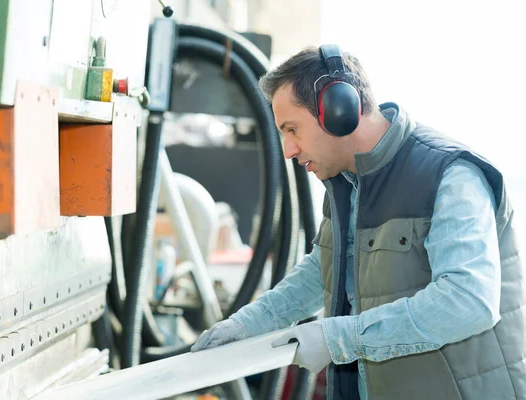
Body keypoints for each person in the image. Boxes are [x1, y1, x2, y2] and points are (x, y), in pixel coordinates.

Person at [191, 44, 525, 400]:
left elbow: (469, 301)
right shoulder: (345, 182)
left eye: (292, 129)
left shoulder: (450, 176)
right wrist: (247, 325)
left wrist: (337, 338)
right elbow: (322, 269)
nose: (288, 149)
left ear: (339, 110)